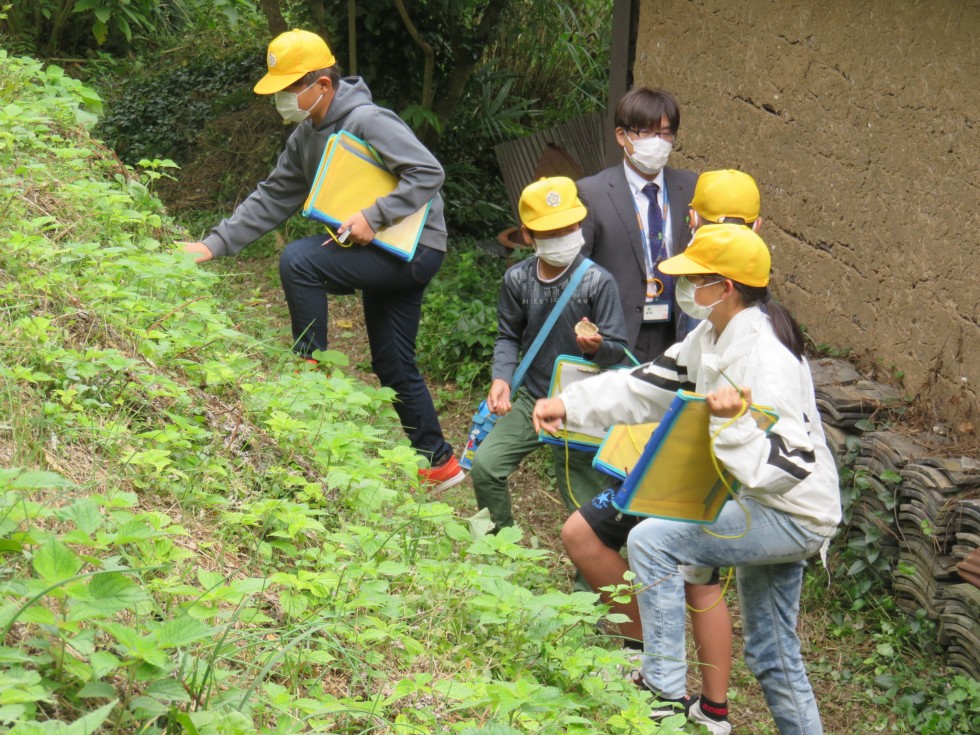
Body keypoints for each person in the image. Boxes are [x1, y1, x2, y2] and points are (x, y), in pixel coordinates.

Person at [533, 225, 841, 735]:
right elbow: (647, 384)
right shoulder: (713, 335)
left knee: (653, 538)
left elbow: (790, 463)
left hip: (789, 512)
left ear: (726, 287)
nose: (684, 289)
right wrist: (571, 404)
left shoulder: (767, 358)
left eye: (694, 279)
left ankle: (663, 693)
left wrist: (732, 423)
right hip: (766, 507)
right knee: (772, 652)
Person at [179, 29, 463, 491]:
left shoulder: (369, 120)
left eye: (290, 90)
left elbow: (428, 171)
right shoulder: (305, 135)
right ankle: (439, 463)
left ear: (323, 85)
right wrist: (213, 245)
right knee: (392, 363)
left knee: (300, 260)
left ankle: (309, 371)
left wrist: (377, 214)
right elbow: (273, 195)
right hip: (381, 251)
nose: (283, 102)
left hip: (415, 249)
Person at [560, 168, 765, 734]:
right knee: (693, 576)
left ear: (691, 218)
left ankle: (669, 686)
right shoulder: (728, 312)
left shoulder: (748, 322)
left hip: (699, 466)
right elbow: (658, 377)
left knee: (687, 572)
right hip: (683, 450)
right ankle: (685, 687)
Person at [470, 176, 628, 531]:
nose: (563, 238)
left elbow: (619, 350)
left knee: (584, 505)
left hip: (582, 405)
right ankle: (500, 546)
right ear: (527, 235)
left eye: (568, 228)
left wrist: (598, 347)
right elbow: (509, 335)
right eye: (551, 232)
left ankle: (589, 581)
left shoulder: (597, 282)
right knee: (486, 465)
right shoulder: (517, 280)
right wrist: (502, 378)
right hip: (532, 396)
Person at [577, 87, 698, 363]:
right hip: (619, 333)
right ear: (622, 135)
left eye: (666, 133)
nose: (658, 142)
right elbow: (579, 271)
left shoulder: (691, 186)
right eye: (647, 133)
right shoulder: (592, 193)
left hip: (678, 328)